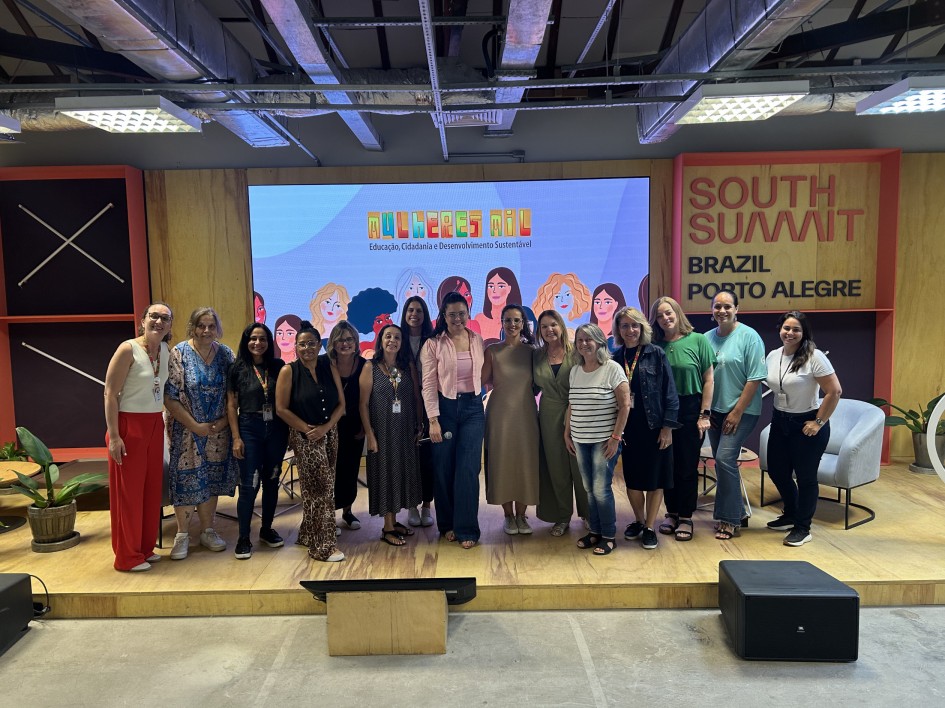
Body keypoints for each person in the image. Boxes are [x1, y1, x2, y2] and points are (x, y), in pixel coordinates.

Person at [104, 302, 173, 572]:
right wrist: (114, 436)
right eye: (153, 316)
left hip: (154, 423)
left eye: (165, 318)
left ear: (170, 325)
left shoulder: (164, 350)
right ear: (143, 320)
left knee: (151, 490)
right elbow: (110, 394)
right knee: (129, 494)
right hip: (128, 426)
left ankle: (144, 548)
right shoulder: (127, 349)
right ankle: (127, 557)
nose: (159, 322)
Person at [165, 307, 238, 559]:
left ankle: (208, 531)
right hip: (186, 431)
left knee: (211, 479)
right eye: (201, 326)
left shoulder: (226, 354)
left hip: (219, 431)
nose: (206, 330)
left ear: (217, 328)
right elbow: (170, 397)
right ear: (193, 328)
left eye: (211, 326)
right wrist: (195, 426)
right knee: (186, 479)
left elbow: (234, 394)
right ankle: (182, 535)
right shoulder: (179, 353)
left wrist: (222, 423)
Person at [764, 311, 842, 547]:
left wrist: (818, 422)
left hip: (806, 423)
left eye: (796, 329)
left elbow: (834, 391)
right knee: (777, 471)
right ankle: (791, 513)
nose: (790, 333)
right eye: (786, 328)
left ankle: (803, 527)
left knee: (806, 478)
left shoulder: (814, 357)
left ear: (804, 333)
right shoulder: (774, 355)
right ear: (780, 329)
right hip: (780, 421)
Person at [275, 321, 346, 562]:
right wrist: (308, 430)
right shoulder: (288, 371)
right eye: (302, 344)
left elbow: (342, 404)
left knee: (323, 486)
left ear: (319, 345)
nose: (307, 348)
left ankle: (307, 533)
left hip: (329, 432)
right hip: (305, 436)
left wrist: (326, 428)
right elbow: (281, 409)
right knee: (320, 489)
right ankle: (323, 547)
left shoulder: (329, 366)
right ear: (295, 346)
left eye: (312, 343)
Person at [420, 291, 485, 549]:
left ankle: (467, 528)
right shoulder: (433, 344)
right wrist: (433, 420)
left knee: (468, 469)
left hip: (473, 408)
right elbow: (428, 384)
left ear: (468, 314)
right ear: (443, 316)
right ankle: (447, 524)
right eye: (452, 314)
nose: (457, 319)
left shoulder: (477, 339)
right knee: (443, 468)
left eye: (461, 314)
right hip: (444, 408)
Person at [612, 307, 679, 551]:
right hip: (627, 428)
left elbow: (670, 393)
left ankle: (650, 527)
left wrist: (667, 427)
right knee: (632, 480)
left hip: (654, 427)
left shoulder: (656, 354)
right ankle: (639, 521)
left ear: (642, 328)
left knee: (654, 480)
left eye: (634, 325)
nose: (630, 330)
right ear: (618, 330)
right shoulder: (615, 358)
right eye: (624, 326)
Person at [650, 296, 715, 542]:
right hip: (662, 411)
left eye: (668, 313)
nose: (665, 318)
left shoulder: (698, 340)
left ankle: (686, 516)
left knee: (687, 466)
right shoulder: (654, 345)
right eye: (659, 315)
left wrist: (704, 414)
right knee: (667, 465)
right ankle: (672, 513)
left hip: (690, 409)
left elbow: (709, 379)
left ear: (677, 313)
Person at [705, 290, 767, 541]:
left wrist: (737, 412)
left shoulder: (750, 337)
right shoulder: (707, 338)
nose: (722, 311)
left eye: (727, 306)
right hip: (715, 412)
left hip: (742, 411)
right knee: (722, 463)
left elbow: (755, 378)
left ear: (736, 309)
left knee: (724, 459)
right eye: (717, 306)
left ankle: (729, 520)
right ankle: (738, 512)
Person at [226, 323, 290, 560]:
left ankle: (266, 529)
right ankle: (244, 537)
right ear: (246, 341)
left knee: (271, 481)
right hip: (249, 427)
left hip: (276, 428)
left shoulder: (278, 366)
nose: (257, 343)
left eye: (262, 339)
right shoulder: (236, 368)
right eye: (253, 338)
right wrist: (236, 438)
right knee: (249, 485)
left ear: (269, 342)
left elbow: (287, 400)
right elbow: (231, 405)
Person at [565, 323, 630, 555]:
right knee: (589, 489)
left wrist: (615, 438)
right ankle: (595, 531)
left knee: (601, 489)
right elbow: (572, 404)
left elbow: (625, 405)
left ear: (600, 342)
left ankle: (609, 536)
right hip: (580, 439)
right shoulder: (575, 371)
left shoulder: (612, 369)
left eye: (589, 339)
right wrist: (567, 432)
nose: (584, 344)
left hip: (604, 441)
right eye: (580, 340)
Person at [359, 324, 423, 545]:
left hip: (404, 431)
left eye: (397, 337)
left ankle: (394, 522)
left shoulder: (407, 366)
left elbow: (416, 397)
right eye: (388, 336)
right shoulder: (370, 367)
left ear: (402, 342)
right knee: (386, 474)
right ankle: (387, 528)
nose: (392, 341)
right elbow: (363, 404)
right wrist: (370, 434)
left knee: (400, 474)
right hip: (382, 432)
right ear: (381, 340)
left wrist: (419, 425)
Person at [482, 304, 539, 535]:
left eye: (516, 320)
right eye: (508, 320)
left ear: (523, 323)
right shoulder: (492, 350)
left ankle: (522, 516)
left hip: (526, 413)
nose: (512, 324)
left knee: (526, 461)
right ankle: (508, 516)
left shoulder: (532, 352)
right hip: (499, 414)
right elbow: (482, 380)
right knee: (502, 461)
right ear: (502, 323)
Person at [533, 309, 588, 536]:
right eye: (544, 326)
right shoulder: (536, 355)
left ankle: (589, 514)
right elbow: (530, 387)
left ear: (562, 326)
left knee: (581, 467)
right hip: (548, 414)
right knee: (556, 468)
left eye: (553, 324)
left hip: (578, 412)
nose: (549, 330)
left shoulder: (577, 351)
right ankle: (562, 516)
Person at [326, 320, 365, 533]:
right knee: (331, 470)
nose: (345, 343)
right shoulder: (325, 364)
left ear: (356, 342)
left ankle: (347, 512)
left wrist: (365, 426)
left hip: (355, 426)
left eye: (349, 339)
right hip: (330, 425)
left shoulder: (364, 364)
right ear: (333, 342)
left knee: (350, 469)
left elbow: (368, 400)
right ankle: (329, 515)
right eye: (340, 340)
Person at [401, 296, 435, 527]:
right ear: (405, 314)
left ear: (425, 315)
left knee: (428, 457)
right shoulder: (397, 338)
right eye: (411, 310)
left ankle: (427, 506)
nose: (415, 314)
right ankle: (411, 505)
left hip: (430, 401)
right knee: (408, 456)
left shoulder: (432, 340)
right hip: (404, 403)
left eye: (419, 310)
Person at [474, 266, 522, 340]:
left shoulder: (521, 318)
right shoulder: (479, 319)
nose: (494, 291)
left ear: (509, 288)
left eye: (501, 286)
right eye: (491, 286)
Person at [590, 283, 626, 351]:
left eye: (607, 302)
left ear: (616, 304)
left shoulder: (623, 338)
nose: (601, 306)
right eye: (597, 302)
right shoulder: (586, 336)